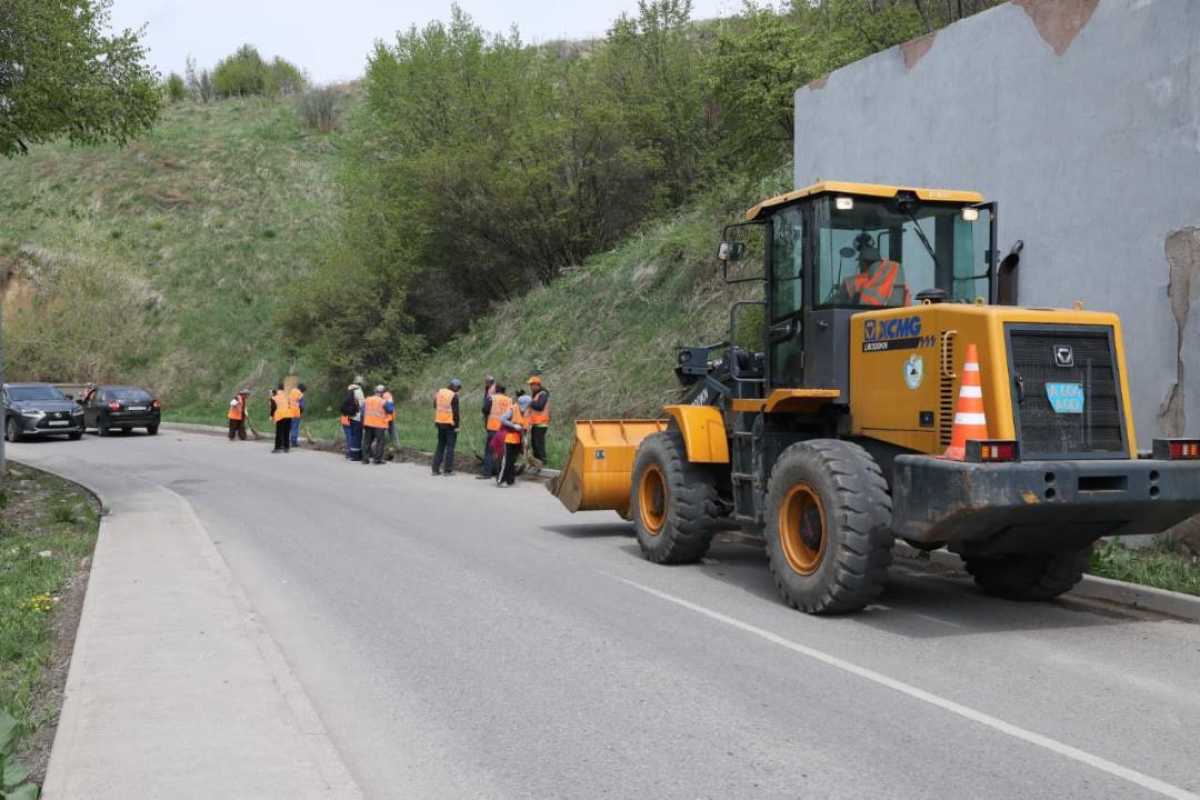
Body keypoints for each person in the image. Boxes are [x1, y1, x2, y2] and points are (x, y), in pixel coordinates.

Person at [832, 233, 909, 306]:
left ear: (864, 262)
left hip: (864, 317)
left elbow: (832, 305)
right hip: (904, 318)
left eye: (860, 262)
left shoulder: (852, 282)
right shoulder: (896, 271)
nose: (859, 266)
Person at [497, 394, 531, 487]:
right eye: (528, 405)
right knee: (506, 460)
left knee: (512, 460)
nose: (529, 407)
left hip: (517, 440)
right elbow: (502, 419)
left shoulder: (526, 412)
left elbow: (526, 426)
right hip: (508, 438)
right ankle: (501, 480)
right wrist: (513, 425)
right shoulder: (513, 409)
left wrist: (525, 440)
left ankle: (510, 479)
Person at [477, 383, 510, 479]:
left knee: (489, 451)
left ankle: (487, 473)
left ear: (496, 390)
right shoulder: (509, 400)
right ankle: (500, 473)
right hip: (504, 429)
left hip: (492, 428)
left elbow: (484, 409)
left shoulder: (492, 398)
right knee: (501, 452)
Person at [431, 378, 461, 476]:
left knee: (440, 446)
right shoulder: (454, 396)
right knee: (450, 447)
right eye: (458, 388)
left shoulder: (440, 392)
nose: (458, 390)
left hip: (439, 422)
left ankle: (435, 469)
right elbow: (456, 414)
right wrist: (457, 426)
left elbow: (435, 405)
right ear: (455, 386)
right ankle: (447, 470)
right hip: (450, 424)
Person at [361, 385, 394, 465]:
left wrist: (363, 421)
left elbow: (362, 411)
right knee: (380, 442)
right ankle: (377, 459)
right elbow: (390, 410)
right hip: (379, 425)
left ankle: (365, 459)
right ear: (382, 393)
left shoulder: (367, 399)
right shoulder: (383, 401)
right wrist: (390, 402)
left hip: (368, 424)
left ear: (374, 392)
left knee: (367, 442)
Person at [526, 376, 550, 471]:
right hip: (536, 424)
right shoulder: (537, 394)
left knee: (538, 444)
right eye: (530, 385)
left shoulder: (543, 394)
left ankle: (542, 463)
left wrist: (530, 402)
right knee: (535, 444)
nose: (530, 387)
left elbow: (540, 406)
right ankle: (537, 464)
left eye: (532, 385)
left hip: (541, 424)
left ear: (537, 385)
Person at [340, 376, 366, 462]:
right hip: (357, 417)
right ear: (361, 383)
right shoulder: (359, 391)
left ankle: (351, 454)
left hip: (350, 416)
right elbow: (362, 405)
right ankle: (355, 456)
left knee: (352, 435)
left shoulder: (350, 389)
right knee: (357, 436)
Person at [270, 383, 296, 453]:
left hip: (280, 415)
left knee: (279, 432)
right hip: (289, 415)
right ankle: (286, 448)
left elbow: (273, 407)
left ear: (278, 388)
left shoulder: (275, 395)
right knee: (286, 432)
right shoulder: (288, 395)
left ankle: (278, 448)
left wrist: (271, 415)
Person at [288, 382, 306, 448]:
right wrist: (301, 412)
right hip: (295, 413)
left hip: (288, 412)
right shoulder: (300, 394)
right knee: (295, 427)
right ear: (302, 390)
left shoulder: (291, 392)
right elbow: (302, 406)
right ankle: (294, 442)